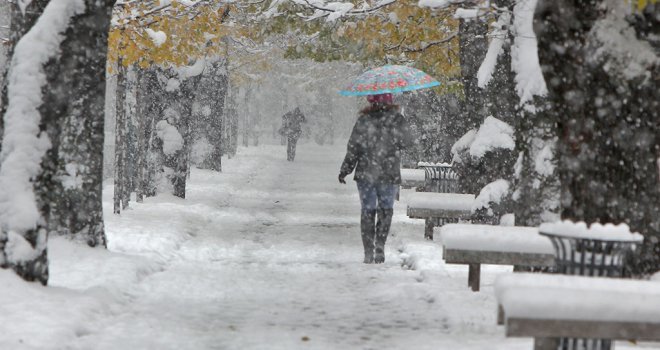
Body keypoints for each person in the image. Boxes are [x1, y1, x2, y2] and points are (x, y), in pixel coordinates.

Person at [338, 93, 413, 264]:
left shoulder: (364, 121)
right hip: (389, 173)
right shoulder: (397, 120)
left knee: (368, 210)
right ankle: (380, 245)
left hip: (366, 173)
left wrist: (345, 170)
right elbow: (408, 143)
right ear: (390, 101)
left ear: (371, 102)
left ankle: (368, 251)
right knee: (386, 210)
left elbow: (353, 148)